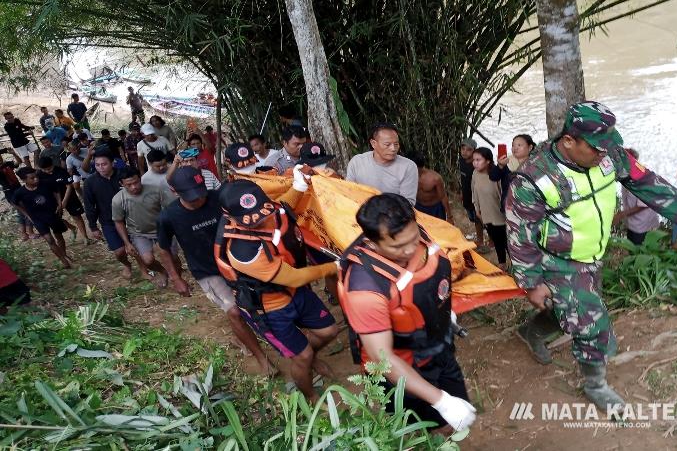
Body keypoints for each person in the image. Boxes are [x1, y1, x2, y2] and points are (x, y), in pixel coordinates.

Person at [507, 101, 677, 411]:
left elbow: (645, 181)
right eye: (597, 148)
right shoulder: (534, 178)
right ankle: (595, 384)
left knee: (567, 312)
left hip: (592, 254)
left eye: (609, 146)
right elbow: (520, 234)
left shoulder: (609, 156)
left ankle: (531, 331)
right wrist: (531, 283)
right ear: (569, 141)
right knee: (592, 325)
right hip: (557, 262)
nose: (604, 154)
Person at [337, 193, 476, 432]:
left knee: (454, 424)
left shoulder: (415, 235)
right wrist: (441, 401)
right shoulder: (366, 290)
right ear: (372, 244)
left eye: (413, 238)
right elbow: (383, 359)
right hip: (404, 370)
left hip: (437, 349)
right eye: (398, 247)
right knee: (425, 431)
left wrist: (441, 312)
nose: (411, 249)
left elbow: (425, 282)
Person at [215, 168, 339, 401]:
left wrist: (300, 186)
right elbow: (295, 277)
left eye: (263, 215)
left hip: (296, 293)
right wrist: (335, 266)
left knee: (329, 331)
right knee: (301, 358)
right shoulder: (243, 252)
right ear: (230, 218)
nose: (262, 223)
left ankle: (308, 355)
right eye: (253, 221)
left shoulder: (271, 210)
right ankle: (310, 396)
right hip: (270, 307)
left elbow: (285, 207)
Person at [156, 167, 274, 375]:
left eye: (201, 194)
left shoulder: (220, 197)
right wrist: (176, 278)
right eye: (193, 198)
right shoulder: (168, 217)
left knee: (259, 303)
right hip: (207, 270)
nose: (200, 200)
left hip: (237, 261)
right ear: (175, 192)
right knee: (234, 311)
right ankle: (261, 358)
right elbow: (164, 249)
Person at [112, 167, 172, 286]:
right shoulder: (118, 200)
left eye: (136, 182)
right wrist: (127, 243)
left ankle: (177, 277)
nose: (134, 187)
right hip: (139, 233)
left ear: (140, 178)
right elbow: (118, 221)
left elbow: (170, 208)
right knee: (148, 261)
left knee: (172, 257)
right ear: (121, 184)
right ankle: (163, 271)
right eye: (129, 184)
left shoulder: (155, 190)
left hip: (161, 230)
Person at [83, 152, 135, 278]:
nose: (101, 167)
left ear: (112, 163)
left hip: (131, 217)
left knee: (135, 248)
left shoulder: (123, 174)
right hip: (108, 221)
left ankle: (145, 269)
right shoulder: (90, 182)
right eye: (97, 165)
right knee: (119, 251)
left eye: (104, 164)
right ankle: (127, 264)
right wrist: (93, 227)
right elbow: (89, 206)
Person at [12, 167, 72, 268]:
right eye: (32, 178)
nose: (36, 179)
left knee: (59, 237)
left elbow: (56, 192)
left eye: (36, 176)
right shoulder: (20, 192)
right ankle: (63, 261)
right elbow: (14, 203)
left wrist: (59, 204)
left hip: (53, 214)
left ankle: (64, 254)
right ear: (24, 180)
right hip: (38, 219)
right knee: (50, 240)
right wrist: (26, 215)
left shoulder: (46, 183)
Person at [345, 123, 418, 206]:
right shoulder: (357, 162)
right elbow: (349, 191)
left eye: (396, 144)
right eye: (387, 144)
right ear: (373, 143)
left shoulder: (408, 166)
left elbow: (408, 203)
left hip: (394, 216)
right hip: (360, 213)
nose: (393, 149)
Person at [37, 156, 92, 244]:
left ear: (52, 164)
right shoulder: (39, 175)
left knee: (76, 216)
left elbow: (69, 186)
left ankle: (85, 237)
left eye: (49, 168)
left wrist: (64, 201)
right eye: (45, 170)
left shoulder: (61, 171)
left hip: (69, 196)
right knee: (54, 218)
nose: (48, 171)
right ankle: (72, 228)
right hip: (52, 199)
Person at [612, 148, 660, 245]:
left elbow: (642, 205)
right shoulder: (625, 173)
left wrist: (621, 215)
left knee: (637, 247)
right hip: (633, 221)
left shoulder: (643, 177)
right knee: (632, 242)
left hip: (641, 223)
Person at [471, 147, 507, 267]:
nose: (475, 162)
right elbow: (474, 192)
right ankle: (502, 263)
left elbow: (503, 193)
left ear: (488, 161)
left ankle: (516, 266)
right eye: (474, 160)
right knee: (496, 240)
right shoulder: (475, 173)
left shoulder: (496, 174)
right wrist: (477, 209)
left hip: (499, 214)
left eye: (478, 160)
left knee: (506, 241)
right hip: (485, 213)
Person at [488, 134, 536, 212]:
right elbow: (493, 177)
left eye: (519, 145)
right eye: (513, 145)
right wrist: (500, 166)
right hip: (509, 209)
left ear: (530, 147)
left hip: (530, 210)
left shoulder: (536, 164)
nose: (515, 148)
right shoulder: (506, 162)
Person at [409, 151, 453, 223]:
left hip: (435, 209)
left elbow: (443, 197)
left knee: (438, 230)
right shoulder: (407, 177)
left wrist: (449, 216)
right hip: (418, 207)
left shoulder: (435, 178)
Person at [458, 138, 486, 251]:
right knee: (475, 220)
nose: (464, 152)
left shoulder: (478, 166)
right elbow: (462, 178)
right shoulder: (461, 161)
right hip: (467, 197)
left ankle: (487, 242)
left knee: (482, 220)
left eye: (468, 150)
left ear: (474, 151)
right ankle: (480, 239)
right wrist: (462, 192)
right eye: (463, 149)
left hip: (478, 199)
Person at [0, 154, 35, 240]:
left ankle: (24, 233)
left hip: (18, 188)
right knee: (23, 209)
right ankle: (29, 232)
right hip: (9, 192)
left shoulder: (7, 164)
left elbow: (18, 162)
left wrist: (13, 153)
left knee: (22, 211)